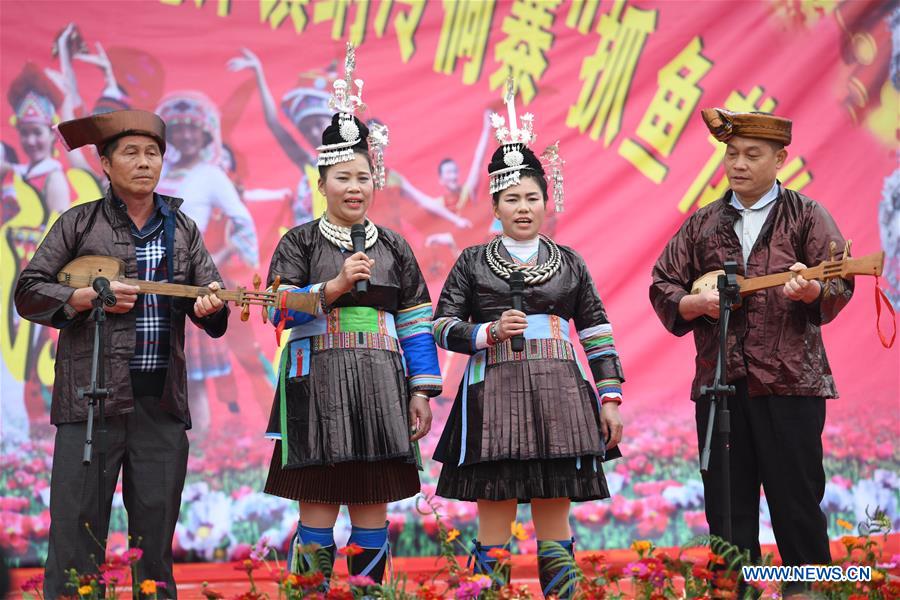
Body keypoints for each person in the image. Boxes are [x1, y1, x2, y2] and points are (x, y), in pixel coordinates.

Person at [14, 109, 229, 598]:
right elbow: (28, 291)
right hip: (91, 404)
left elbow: (211, 311)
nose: (144, 163)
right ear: (105, 164)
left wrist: (212, 306)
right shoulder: (79, 222)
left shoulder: (183, 229)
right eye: (130, 153)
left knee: (154, 545)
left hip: (161, 405)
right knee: (76, 539)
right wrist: (80, 298)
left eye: (152, 153)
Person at [649, 109, 854, 595]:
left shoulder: (806, 215)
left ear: (780, 159)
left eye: (752, 155)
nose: (738, 164)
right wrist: (691, 302)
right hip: (721, 385)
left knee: (797, 502)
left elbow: (840, 280)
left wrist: (813, 293)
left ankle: (806, 591)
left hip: (790, 383)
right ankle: (736, 591)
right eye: (732, 153)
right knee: (726, 506)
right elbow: (663, 283)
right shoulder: (702, 223)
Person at [262, 46, 442, 586]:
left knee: (371, 511)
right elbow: (277, 306)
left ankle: (371, 596)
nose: (355, 187)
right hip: (314, 384)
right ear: (322, 183)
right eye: (343, 177)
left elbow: (414, 321)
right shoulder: (298, 241)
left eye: (363, 177)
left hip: (380, 385)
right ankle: (311, 594)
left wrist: (418, 391)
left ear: (375, 180)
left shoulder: (396, 247)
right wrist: (333, 287)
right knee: (316, 511)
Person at [431, 97, 625, 599]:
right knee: (494, 517)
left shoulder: (571, 263)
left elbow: (597, 330)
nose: (523, 207)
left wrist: (608, 397)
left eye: (532, 197)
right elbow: (441, 325)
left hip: (559, 397)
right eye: (512, 198)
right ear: (494, 206)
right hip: (493, 396)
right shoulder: (473, 262)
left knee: (554, 518)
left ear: (547, 200)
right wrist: (487, 333)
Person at [155, 91, 259, 431]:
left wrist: (221, 257)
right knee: (153, 372)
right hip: (147, 281)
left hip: (185, 283)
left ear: (204, 134)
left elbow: (241, 220)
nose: (185, 136)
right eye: (178, 129)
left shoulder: (211, 174)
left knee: (190, 376)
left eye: (192, 130)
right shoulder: (157, 170)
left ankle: (195, 460)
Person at [5, 62, 72, 215]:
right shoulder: (17, 173)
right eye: (25, 133)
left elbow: (61, 235)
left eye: (37, 132)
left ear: (52, 134)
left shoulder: (54, 179)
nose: (31, 141)